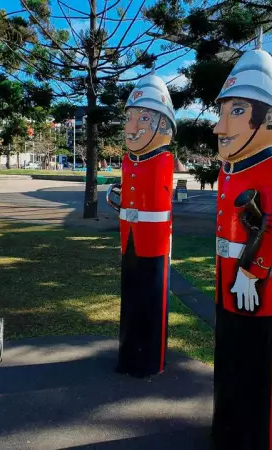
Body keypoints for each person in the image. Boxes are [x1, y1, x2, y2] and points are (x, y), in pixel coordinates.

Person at [211, 32, 272, 450]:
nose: (220, 126)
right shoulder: (230, 169)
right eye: (223, 111)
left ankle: (263, 438)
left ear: (268, 119)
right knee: (230, 362)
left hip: (254, 283)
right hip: (228, 280)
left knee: (259, 368)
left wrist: (251, 272)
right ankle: (230, 431)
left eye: (237, 111)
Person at [113, 71, 176, 378]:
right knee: (130, 298)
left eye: (144, 119)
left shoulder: (163, 159)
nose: (132, 127)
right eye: (129, 118)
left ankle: (150, 359)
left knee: (152, 300)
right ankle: (128, 354)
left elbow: (157, 200)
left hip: (154, 240)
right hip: (129, 237)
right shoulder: (128, 161)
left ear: (164, 125)